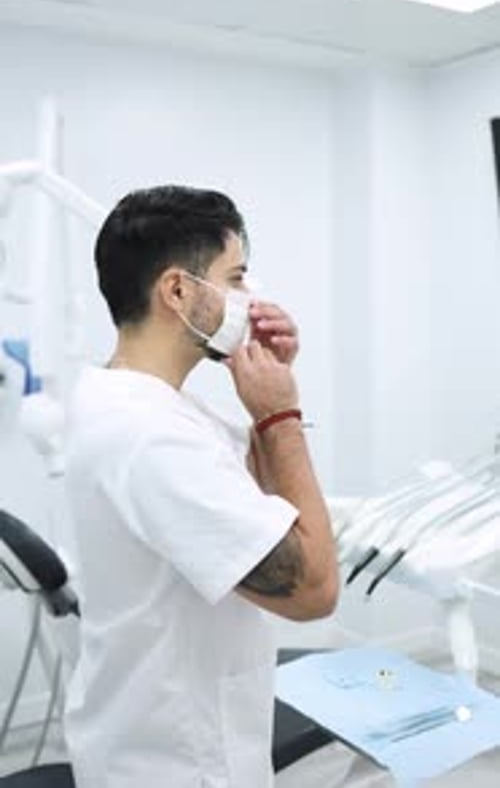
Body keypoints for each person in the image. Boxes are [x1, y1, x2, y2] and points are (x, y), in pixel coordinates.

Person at [64, 185, 338, 788]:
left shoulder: (132, 401)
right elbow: (313, 588)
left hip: (152, 734)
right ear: (179, 291)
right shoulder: (151, 435)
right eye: (236, 278)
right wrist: (281, 419)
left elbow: (263, 511)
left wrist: (269, 381)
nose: (248, 298)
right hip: (177, 764)